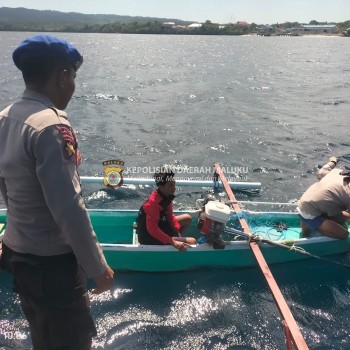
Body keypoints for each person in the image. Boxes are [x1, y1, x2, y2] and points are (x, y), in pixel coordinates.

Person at [0, 34, 114, 350]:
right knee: (69, 339)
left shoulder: (6, 117)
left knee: (42, 333)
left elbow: (5, 187)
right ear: (63, 75)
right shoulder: (51, 126)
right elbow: (68, 207)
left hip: (20, 256)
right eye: (73, 76)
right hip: (52, 268)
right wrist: (97, 268)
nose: (73, 86)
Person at [136, 169, 197, 251]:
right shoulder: (153, 204)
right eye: (170, 185)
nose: (174, 188)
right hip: (148, 236)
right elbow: (152, 229)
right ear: (161, 186)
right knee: (192, 241)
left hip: (161, 225)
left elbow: (170, 216)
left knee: (187, 218)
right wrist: (172, 242)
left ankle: (176, 242)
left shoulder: (166, 196)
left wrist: (175, 231)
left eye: (174, 184)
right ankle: (174, 244)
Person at [297, 156, 350, 240]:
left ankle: (313, 223)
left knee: (346, 217)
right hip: (309, 213)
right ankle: (309, 225)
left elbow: (321, 172)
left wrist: (333, 161)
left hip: (304, 202)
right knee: (344, 234)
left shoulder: (338, 172)